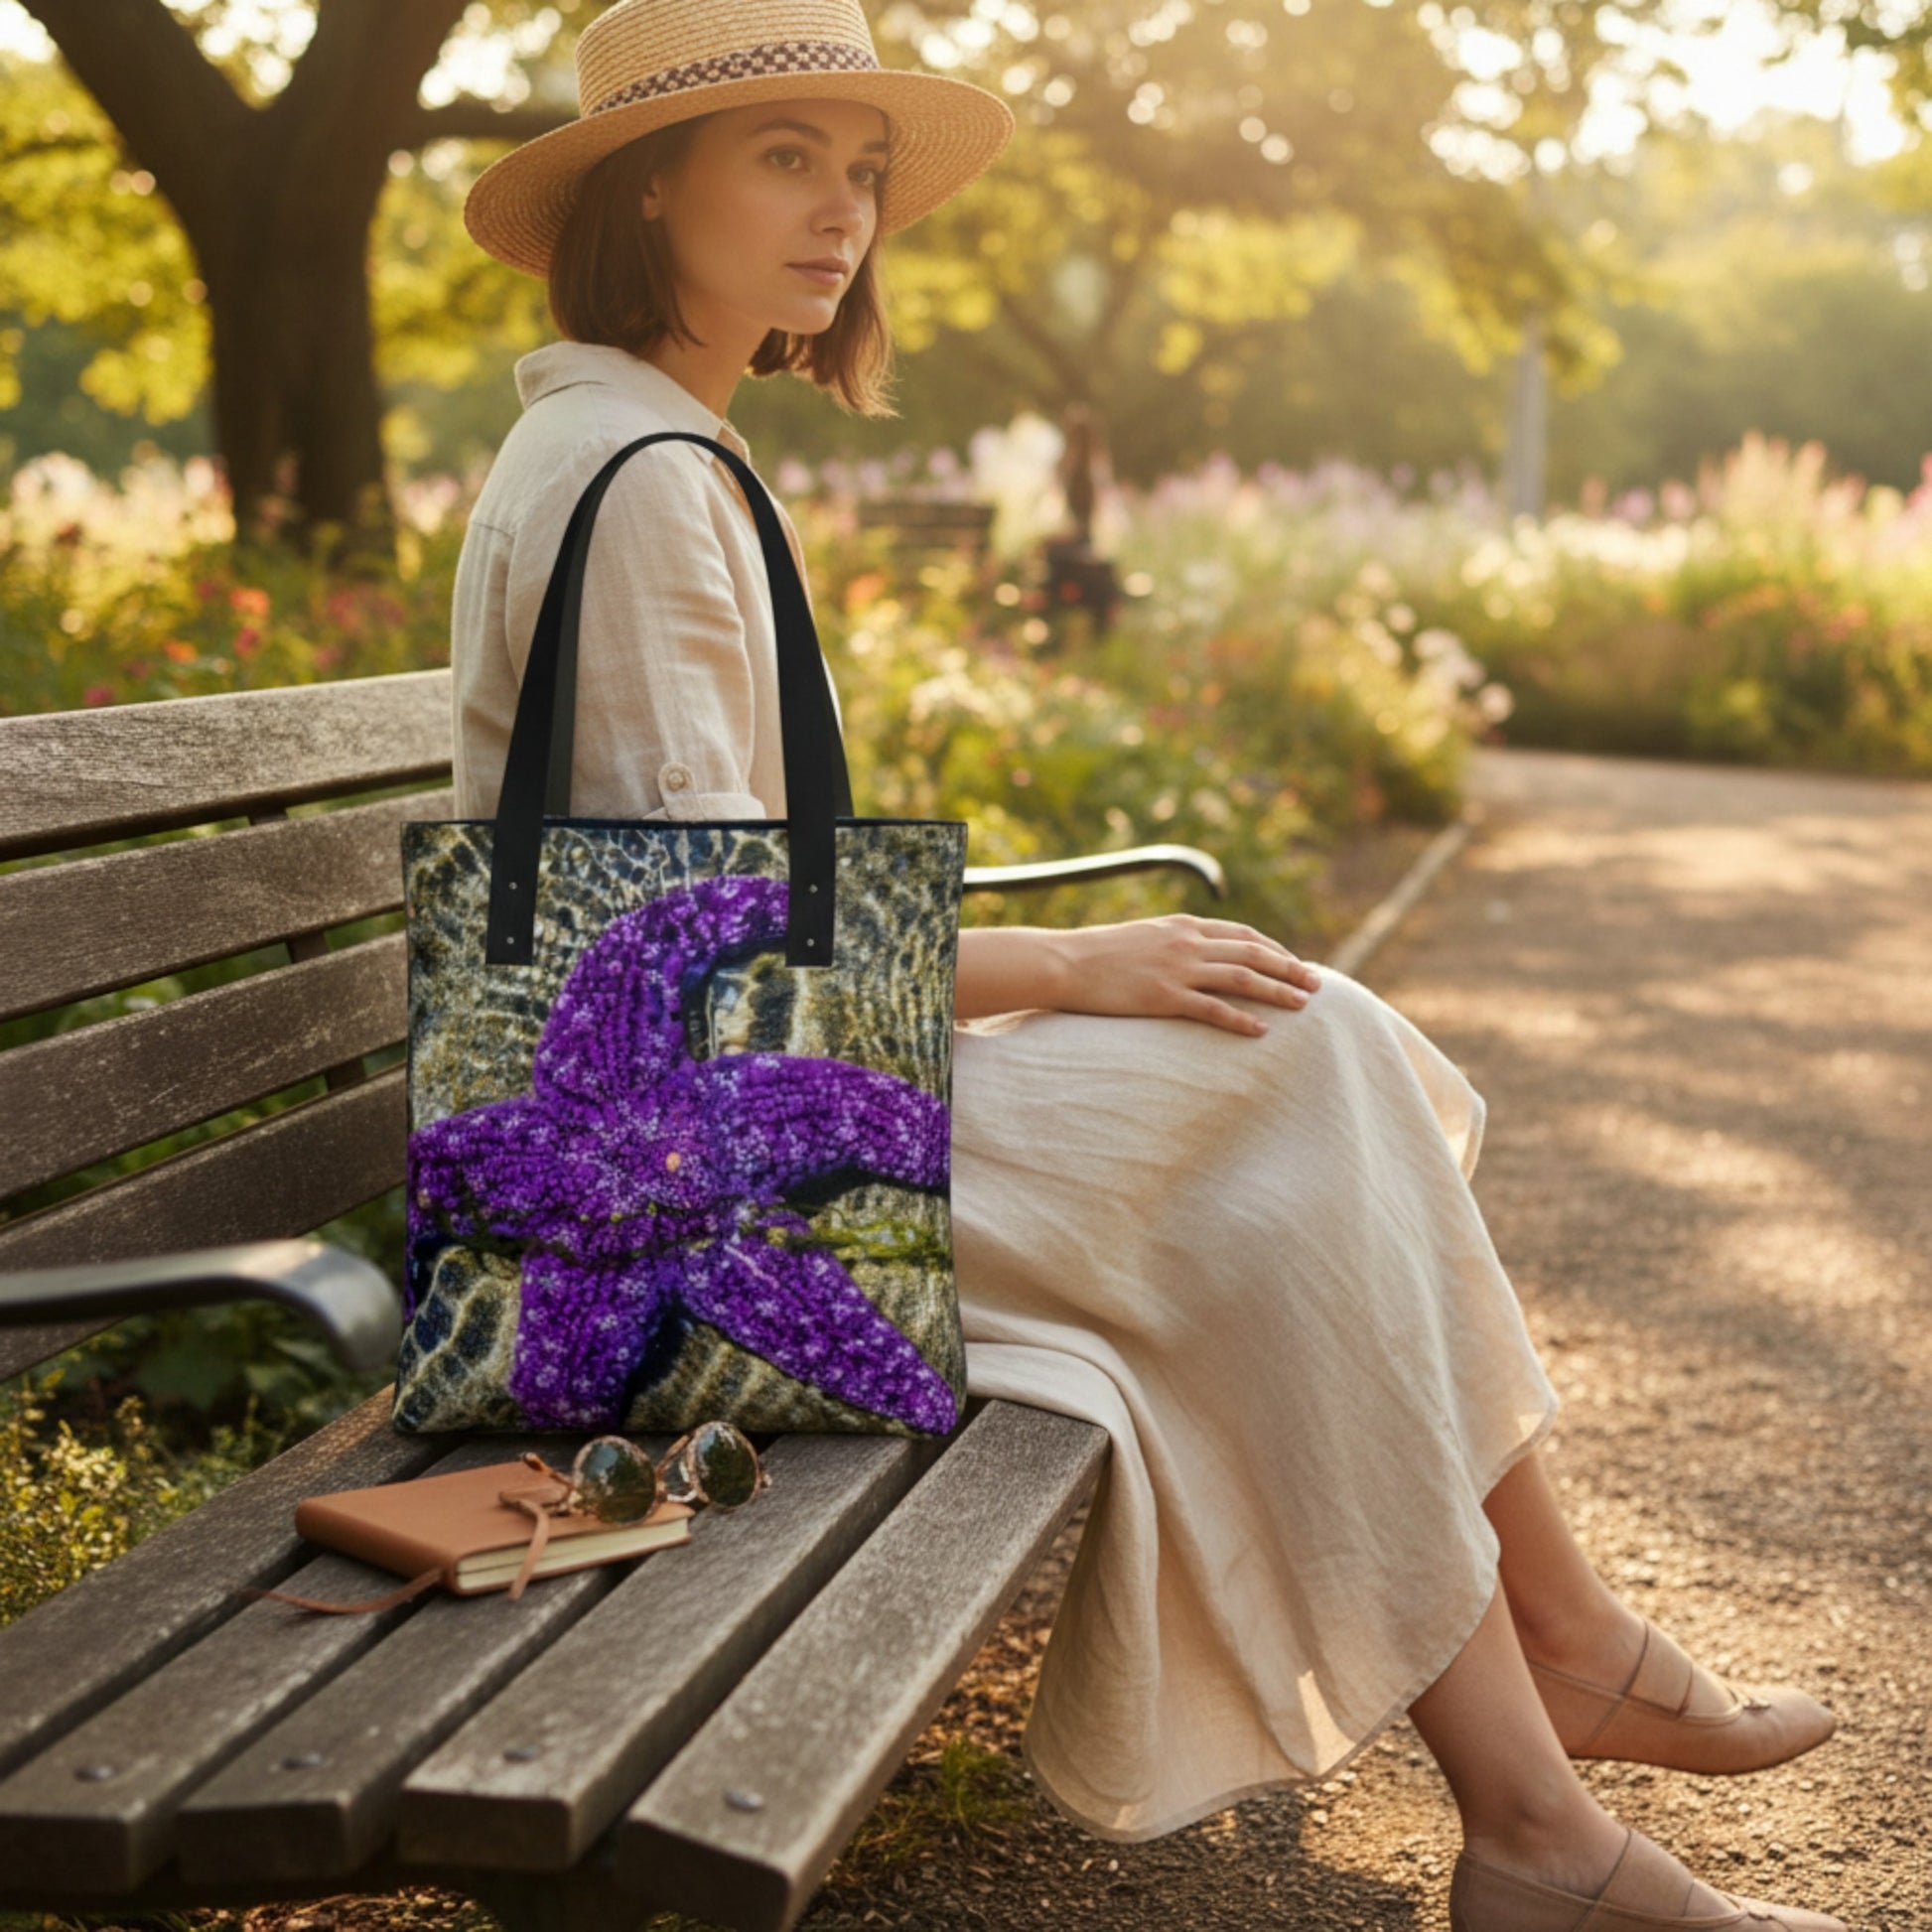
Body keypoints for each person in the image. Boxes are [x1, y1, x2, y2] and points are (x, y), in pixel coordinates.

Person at [450, 4, 1848, 1927]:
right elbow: (704, 931)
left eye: (858, 170)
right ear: (646, 189)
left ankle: (1557, 1732)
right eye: (784, 158)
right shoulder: (641, 480)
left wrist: (1067, 969)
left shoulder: (633, 444)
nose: (842, 212)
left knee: (1302, 1051)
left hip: (730, 1131)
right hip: (694, 1197)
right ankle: (1550, 1781)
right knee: (1283, 1129)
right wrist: (1068, 959)